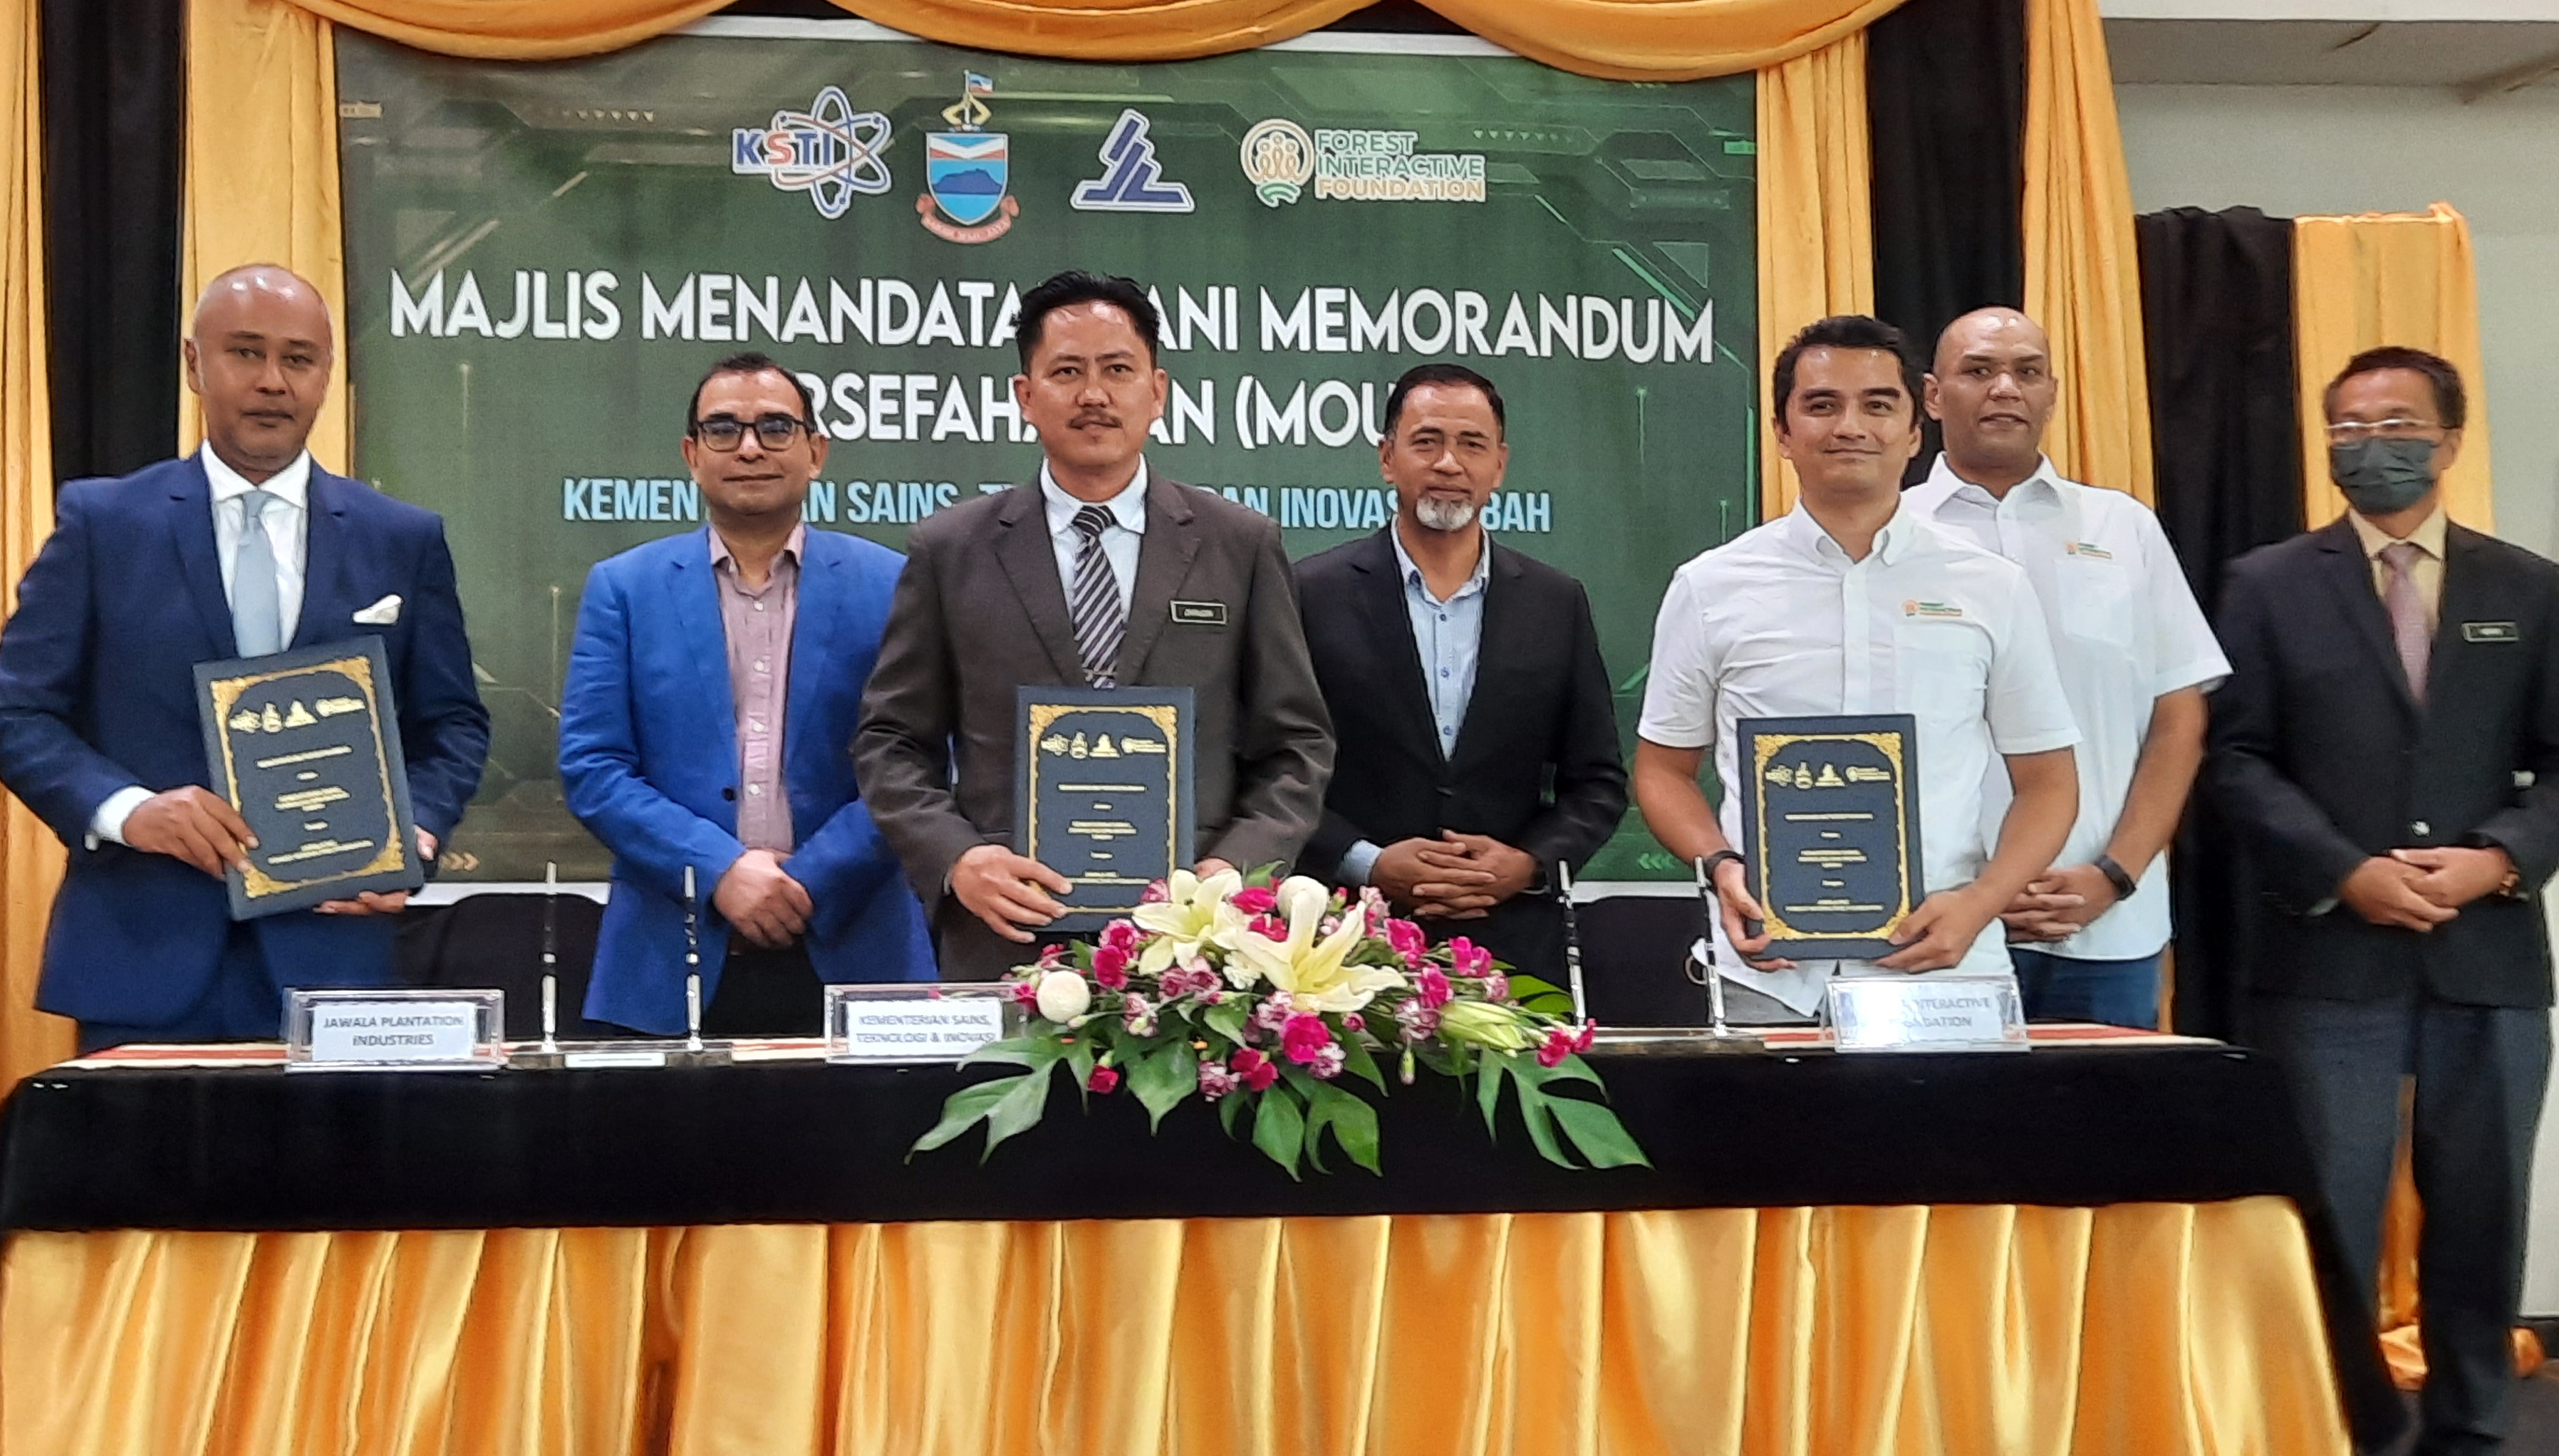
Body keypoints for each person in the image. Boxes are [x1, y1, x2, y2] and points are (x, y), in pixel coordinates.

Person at [0, 264, 489, 1049]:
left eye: (299, 359)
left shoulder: (403, 539)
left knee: (329, 1178)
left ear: (326, 375)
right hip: (143, 960)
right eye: (245, 353)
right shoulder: (103, 523)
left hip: (337, 965)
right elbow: (17, 717)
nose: (273, 382)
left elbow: (452, 723)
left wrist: (411, 834)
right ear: (193, 364)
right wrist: (129, 813)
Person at [2211, 345, 2559, 1456]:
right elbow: (2235, 759)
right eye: (2349, 426)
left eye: (2398, 421)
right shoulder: (2265, 582)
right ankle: (2339, 1430)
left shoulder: (2530, 587)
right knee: (2329, 1221)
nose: (2372, 442)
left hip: (2488, 956)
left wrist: (2499, 860)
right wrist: (2344, 866)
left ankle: (2469, 1433)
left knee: (2480, 1218)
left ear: (2452, 438)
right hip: (2327, 955)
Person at [855, 270, 1334, 980]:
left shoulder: (1238, 543)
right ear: (1025, 396)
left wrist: (1234, 873)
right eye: (1066, 371)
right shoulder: (949, 549)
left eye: (1117, 370)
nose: (1093, 395)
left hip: (1200, 947)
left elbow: (1296, 744)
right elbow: (890, 741)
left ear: (1157, 390)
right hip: (1009, 935)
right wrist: (958, 859)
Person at [1632, 316, 2080, 1021]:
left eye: (1877, 405)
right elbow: (1661, 771)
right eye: (1820, 405)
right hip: (1766, 975)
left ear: (1913, 430)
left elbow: (2050, 784)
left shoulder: (1990, 585)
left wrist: (1979, 905)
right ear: (1780, 433)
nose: (1850, 426)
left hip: (1946, 972)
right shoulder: (1710, 585)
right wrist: (1721, 866)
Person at [560, 354, 931, 1036]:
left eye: (776, 427)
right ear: (692, 455)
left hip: (859, 945)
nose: (751, 447)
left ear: (816, 452)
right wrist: (721, 870)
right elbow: (594, 768)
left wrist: (811, 879)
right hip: (671, 955)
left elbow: (924, 759)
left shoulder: (894, 585)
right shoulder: (625, 588)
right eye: (724, 429)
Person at [1906, 308, 2228, 1028]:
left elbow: (2178, 719)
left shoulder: (2122, 527)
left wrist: (2113, 875)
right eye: (1978, 371)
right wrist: (1980, 893)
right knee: (1938, 1139)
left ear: (2052, 391)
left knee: (2101, 1138)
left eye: (2026, 372)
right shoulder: (1890, 533)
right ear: (1931, 397)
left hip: (2104, 921)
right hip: (1935, 922)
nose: (2004, 390)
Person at [1292, 363, 1627, 989]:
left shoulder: (1556, 602)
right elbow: (1274, 769)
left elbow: (1598, 783)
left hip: (1513, 952)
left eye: (1471, 444)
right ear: (1387, 458)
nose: (1449, 462)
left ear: (1500, 465)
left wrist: (1526, 864)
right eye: (1427, 442)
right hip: (1343, 949)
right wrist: (1366, 862)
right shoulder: (1310, 593)